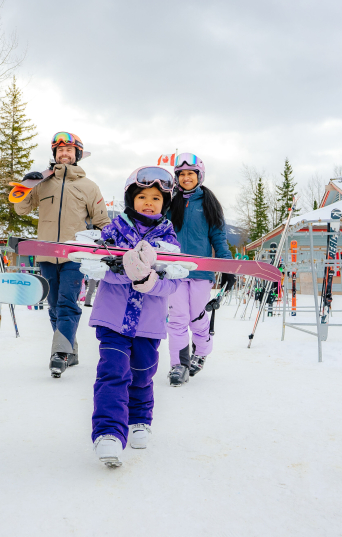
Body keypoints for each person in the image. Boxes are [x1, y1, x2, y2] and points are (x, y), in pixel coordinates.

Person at [79, 167, 189, 467]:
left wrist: (153, 283)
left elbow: (175, 280)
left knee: (142, 372)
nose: (149, 202)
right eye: (142, 196)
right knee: (113, 372)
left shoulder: (168, 236)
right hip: (113, 319)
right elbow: (97, 270)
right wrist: (123, 272)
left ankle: (139, 419)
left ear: (165, 202)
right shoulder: (114, 229)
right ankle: (108, 433)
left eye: (156, 197)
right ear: (132, 198)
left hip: (149, 323)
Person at [14, 132, 111, 377]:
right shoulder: (43, 183)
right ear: (55, 154)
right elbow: (21, 209)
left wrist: (103, 248)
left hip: (75, 254)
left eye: (69, 150)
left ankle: (59, 354)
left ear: (77, 155)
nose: (64, 154)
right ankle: (70, 350)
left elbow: (102, 221)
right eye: (60, 150)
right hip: (46, 254)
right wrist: (26, 185)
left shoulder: (89, 187)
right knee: (54, 306)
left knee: (67, 303)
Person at [164, 153, 234, 387]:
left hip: (201, 271)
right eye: (181, 174)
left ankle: (201, 351)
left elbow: (218, 237)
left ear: (199, 176)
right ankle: (178, 365)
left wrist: (227, 267)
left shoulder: (209, 203)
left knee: (196, 317)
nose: (185, 178)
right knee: (177, 318)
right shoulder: (170, 203)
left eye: (190, 174)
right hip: (174, 270)